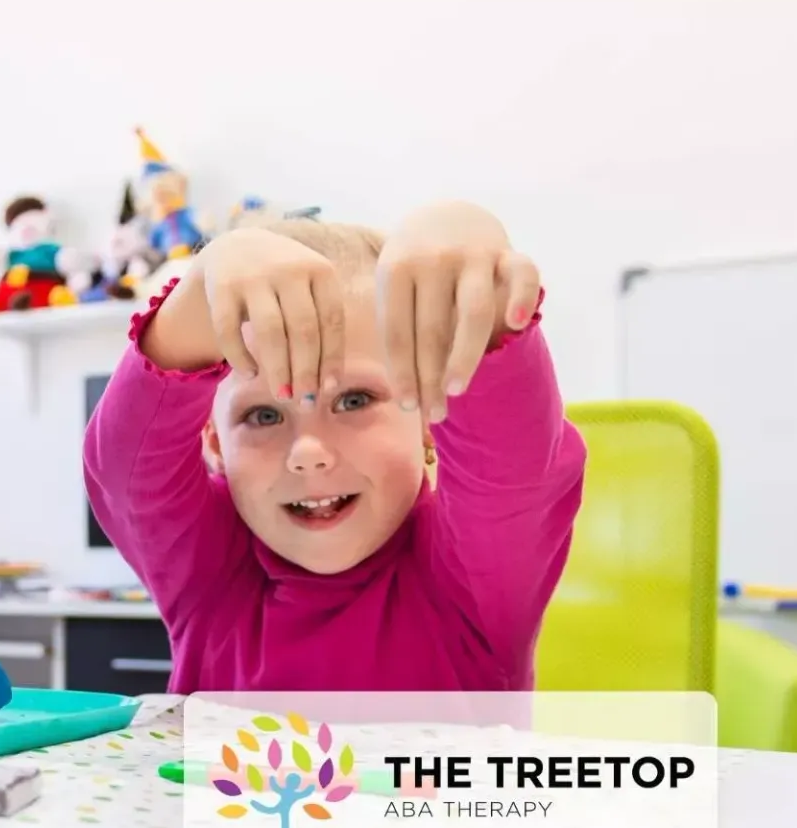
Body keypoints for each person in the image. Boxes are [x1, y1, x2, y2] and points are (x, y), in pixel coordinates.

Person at [83, 202, 586, 693]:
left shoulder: (475, 584)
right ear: (214, 444)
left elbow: (513, 470)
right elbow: (126, 473)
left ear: (430, 423)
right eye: (263, 415)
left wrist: (475, 284)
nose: (307, 451)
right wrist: (194, 298)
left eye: (354, 400)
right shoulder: (210, 575)